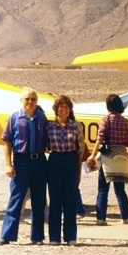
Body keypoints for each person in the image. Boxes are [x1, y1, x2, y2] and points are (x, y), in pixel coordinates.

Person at [0, 87, 48, 245]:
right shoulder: (14, 118)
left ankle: (37, 237)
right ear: (21, 101)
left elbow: (48, 141)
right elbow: (7, 143)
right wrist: (8, 164)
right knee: (16, 199)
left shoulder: (42, 118)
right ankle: (6, 235)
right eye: (27, 99)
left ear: (37, 101)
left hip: (39, 162)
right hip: (21, 162)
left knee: (39, 200)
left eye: (33, 99)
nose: (30, 102)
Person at [86, 94, 128, 226]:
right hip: (122, 157)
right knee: (120, 190)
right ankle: (127, 217)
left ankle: (101, 218)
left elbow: (100, 138)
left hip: (108, 157)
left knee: (103, 189)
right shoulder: (126, 122)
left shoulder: (106, 120)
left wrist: (92, 154)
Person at [45, 95, 83, 246]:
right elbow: (45, 145)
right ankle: (54, 237)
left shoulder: (76, 127)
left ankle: (70, 237)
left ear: (70, 109)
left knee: (70, 199)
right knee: (55, 200)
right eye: (61, 106)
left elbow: (80, 150)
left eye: (66, 107)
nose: (63, 109)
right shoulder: (49, 127)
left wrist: (78, 172)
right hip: (55, 161)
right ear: (56, 109)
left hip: (71, 161)